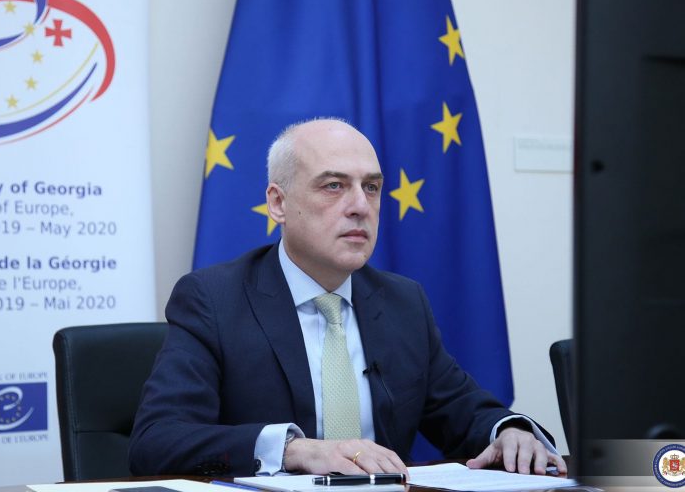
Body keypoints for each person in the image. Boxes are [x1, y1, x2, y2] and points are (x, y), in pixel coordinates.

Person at [129, 119, 567, 478]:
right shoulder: (214, 300)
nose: (360, 206)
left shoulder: (402, 302)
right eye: (334, 186)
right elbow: (157, 442)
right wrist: (294, 450)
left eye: (371, 187)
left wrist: (507, 432)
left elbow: (461, 410)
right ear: (278, 204)